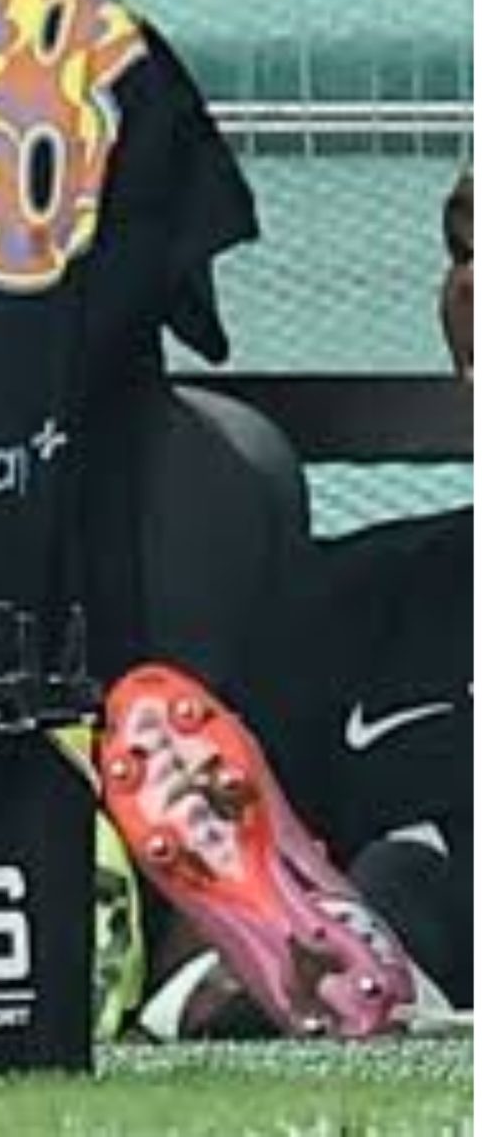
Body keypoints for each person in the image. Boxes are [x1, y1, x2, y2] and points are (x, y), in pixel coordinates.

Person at [105, 164, 473, 1039]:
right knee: (403, 877)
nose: (470, 284)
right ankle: (372, 969)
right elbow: (213, 918)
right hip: (377, 1008)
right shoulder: (351, 603)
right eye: (461, 248)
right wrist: (224, 974)